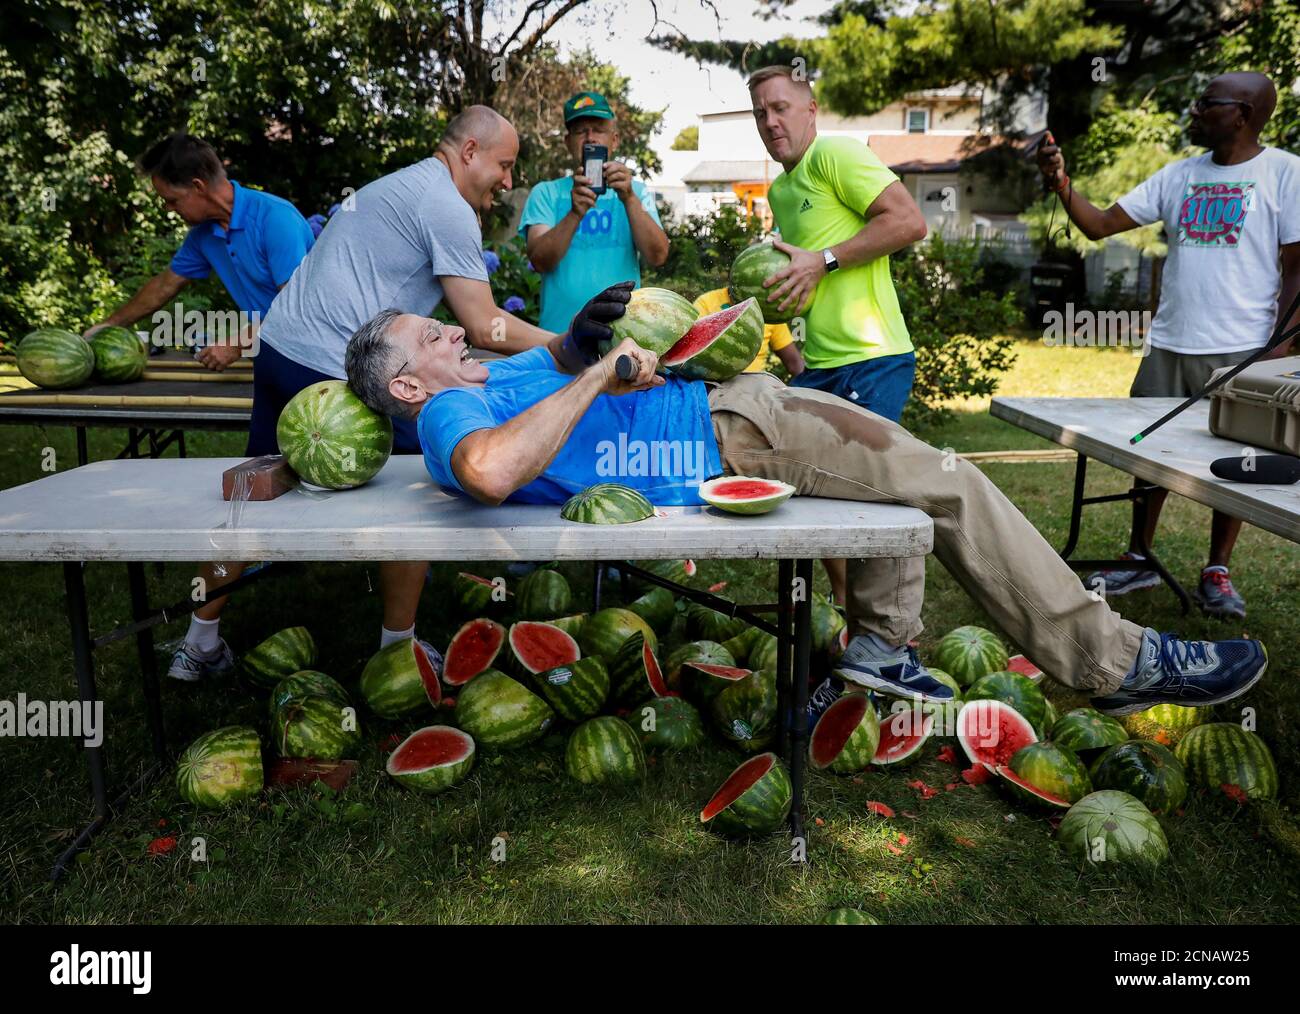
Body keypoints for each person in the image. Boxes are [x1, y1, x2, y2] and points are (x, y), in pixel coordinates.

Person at [341, 284, 1269, 720]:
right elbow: (494, 470)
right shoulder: (445, 416)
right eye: (431, 337)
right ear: (409, 389)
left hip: (736, 410)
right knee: (948, 484)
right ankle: (1117, 662)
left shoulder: (478, 377)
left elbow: (543, 376)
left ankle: (880, 645)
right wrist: (599, 378)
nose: (452, 334)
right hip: (734, 438)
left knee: (907, 468)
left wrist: (578, 339)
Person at [171, 105, 555, 682]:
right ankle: (397, 647)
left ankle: (198, 643)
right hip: (342, 370)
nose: (506, 183)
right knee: (420, 496)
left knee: (254, 496)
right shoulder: (447, 207)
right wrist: (573, 343)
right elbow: (482, 325)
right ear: (469, 152)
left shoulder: (401, 183)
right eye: (503, 166)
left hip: (279, 350)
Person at [1037, 72, 1300, 621]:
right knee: (1148, 453)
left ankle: (1217, 570)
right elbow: (1099, 226)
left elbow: (1297, 269)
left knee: (1237, 462)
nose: (1196, 110)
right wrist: (1062, 184)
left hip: (1245, 350)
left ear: (1245, 113)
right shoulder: (1179, 174)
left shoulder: (1286, 173)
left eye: (1209, 103)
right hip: (1171, 342)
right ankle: (1138, 555)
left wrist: (1281, 345)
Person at [81, 133, 316, 682]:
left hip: (316, 365)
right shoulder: (204, 233)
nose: (170, 210)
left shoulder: (275, 218)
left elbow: (301, 307)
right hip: (275, 365)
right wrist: (108, 328)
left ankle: (376, 618)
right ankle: (202, 639)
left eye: (169, 199)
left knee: (304, 486)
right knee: (247, 494)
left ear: (195, 185)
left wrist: (237, 342)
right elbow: (165, 285)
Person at [520, 91, 670, 334]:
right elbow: (539, 261)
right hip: (557, 340)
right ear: (567, 141)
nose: (590, 138)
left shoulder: (638, 193)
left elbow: (658, 256)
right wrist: (574, 214)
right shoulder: (545, 193)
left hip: (621, 336)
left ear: (615, 140)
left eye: (599, 129)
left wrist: (629, 198)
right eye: (580, 131)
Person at [693, 285, 806, 376]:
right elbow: (694, 348)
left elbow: (794, 363)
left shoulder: (767, 311)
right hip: (714, 381)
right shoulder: (706, 302)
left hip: (754, 385)